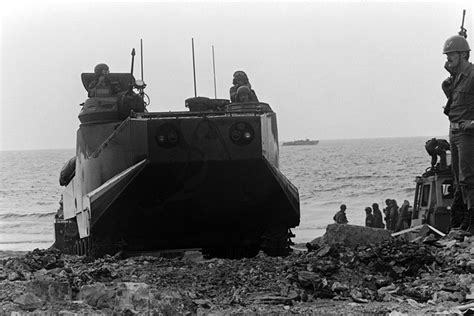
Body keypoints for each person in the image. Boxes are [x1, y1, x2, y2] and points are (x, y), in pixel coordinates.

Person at [442, 34, 474, 234]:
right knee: (457, 178)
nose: (447, 59)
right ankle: (465, 217)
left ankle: (473, 218)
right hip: (453, 132)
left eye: (451, 55)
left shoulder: (473, 75)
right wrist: (450, 76)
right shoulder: (455, 78)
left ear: (463, 54)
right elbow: (451, 101)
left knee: (468, 177)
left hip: (467, 133)